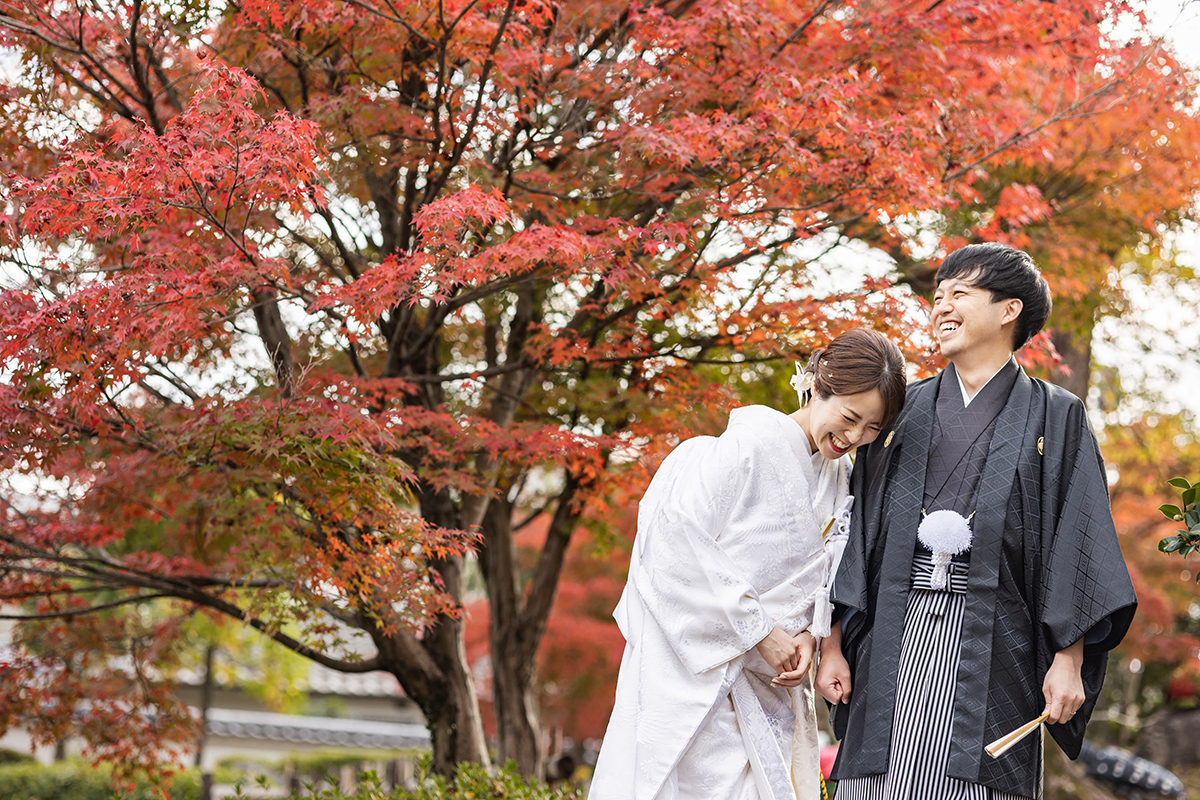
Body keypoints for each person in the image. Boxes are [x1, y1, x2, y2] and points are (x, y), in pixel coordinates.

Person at [818, 244, 1138, 800]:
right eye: (937, 296)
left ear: (1009, 310)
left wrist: (1069, 658)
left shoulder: (1055, 414)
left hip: (999, 642)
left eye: (959, 294)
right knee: (874, 779)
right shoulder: (899, 410)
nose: (940, 306)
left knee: (980, 781)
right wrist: (832, 645)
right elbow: (853, 529)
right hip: (890, 629)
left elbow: (1078, 539)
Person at [589, 329, 906, 800]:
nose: (854, 438)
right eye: (850, 417)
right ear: (819, 386)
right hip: (703, 672)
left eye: (872, 430)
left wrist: (809, 636)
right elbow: (675, 541)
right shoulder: (743, 449)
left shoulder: (841, 478)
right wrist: (760, 631)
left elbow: (824, 576)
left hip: (772, 683)